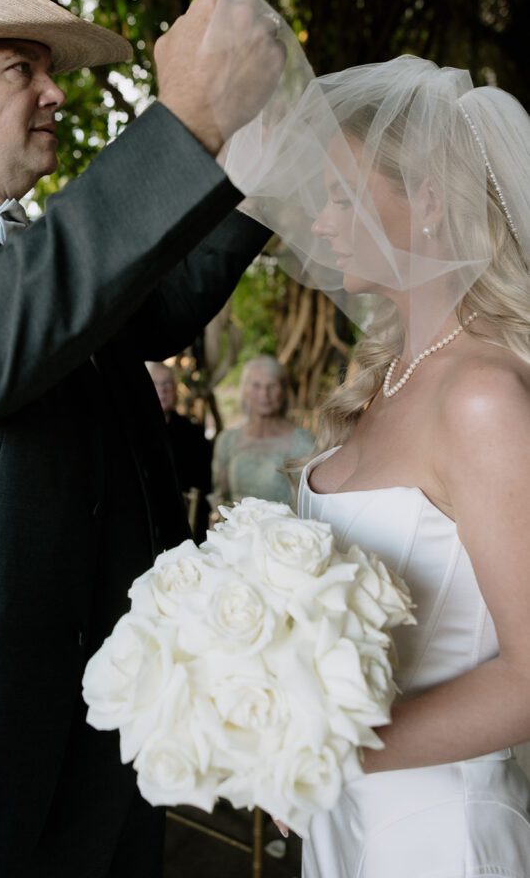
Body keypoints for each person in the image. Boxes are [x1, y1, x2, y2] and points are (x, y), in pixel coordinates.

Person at [0, 0, 283, 878]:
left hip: (111, 739)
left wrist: (261, 150)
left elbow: (159, 310)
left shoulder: (54, 259)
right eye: (22, 68)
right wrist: (181, 123)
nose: (55, 93)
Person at [234, 55, 530, 875]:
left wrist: (324, 752)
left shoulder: (480, 396)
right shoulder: (383, 377)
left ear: (429, 201)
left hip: (438, 829)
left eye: (342, 196)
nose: (320, 222)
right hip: (346, 819)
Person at [211, 355, 314, 509]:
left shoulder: (304, 442)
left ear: (284, 391)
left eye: (272, 386)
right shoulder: (227, 440)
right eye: (256, 385)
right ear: (245, 390)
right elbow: (219, 496)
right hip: (234, 523)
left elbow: (309, 501)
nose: (264, 394)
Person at [147, 362, 212, 538]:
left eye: (167, 384)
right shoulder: (135, 433)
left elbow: (205, 483)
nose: (162, 390)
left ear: (175, 390)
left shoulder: (193, 432)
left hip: (187, 523)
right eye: (155, 384)